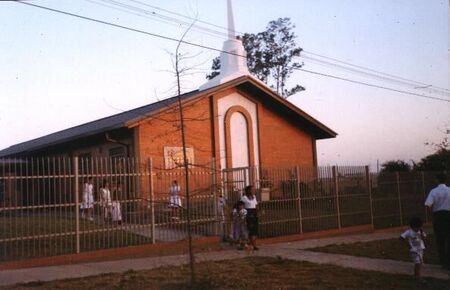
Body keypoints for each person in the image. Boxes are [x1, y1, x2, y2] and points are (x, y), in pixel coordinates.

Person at [424, 173, 450, 270]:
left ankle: (443, 262)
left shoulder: (434, 191)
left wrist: (433, 215)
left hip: (439, 216)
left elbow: (428, 205)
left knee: (440, 240)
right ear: (446, 180)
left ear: (437, 180)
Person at [241, 185, 259, 250]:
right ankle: (249, 244)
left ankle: (253, 244)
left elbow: (256, 206)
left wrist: (258, 212)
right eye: (252, 189)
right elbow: (241, 206)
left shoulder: (254, 197)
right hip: (248, 215)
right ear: (248, 190)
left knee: (254, 230)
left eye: (254, 189)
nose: (254, 190)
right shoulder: (244, 198)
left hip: (254, 215)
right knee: (248, 230)